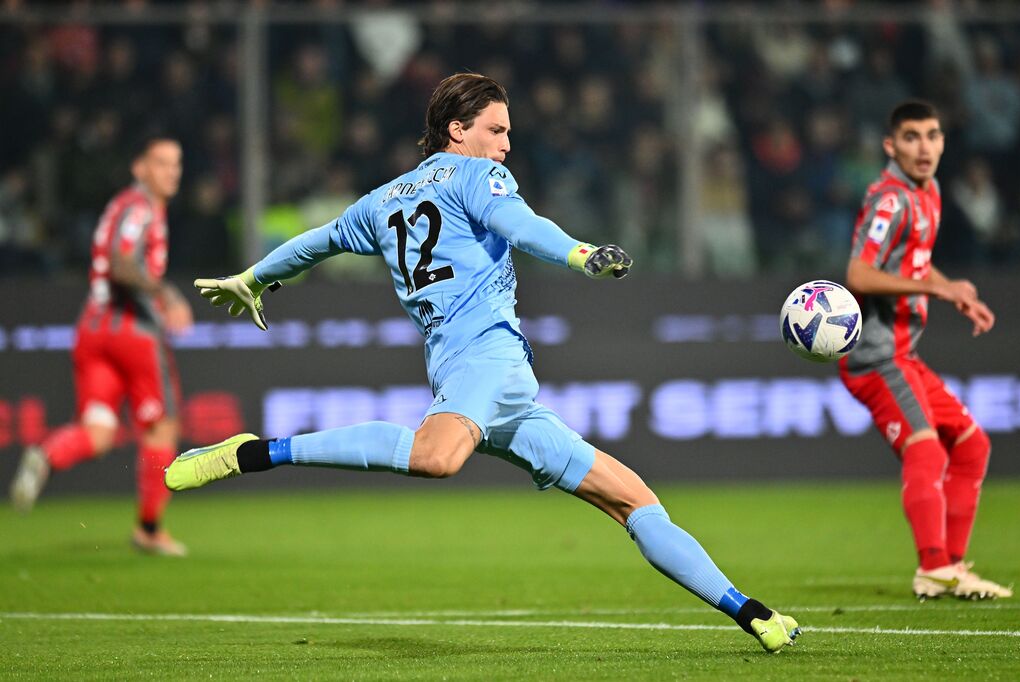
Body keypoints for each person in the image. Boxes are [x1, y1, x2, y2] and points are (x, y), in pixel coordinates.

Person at [165, 73, 801, 652]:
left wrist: (255, 276)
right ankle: (259, 452)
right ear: (456, 131)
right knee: (436, 457)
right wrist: (582, 255)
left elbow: (314, 243)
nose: (505, 145)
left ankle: (754, 615)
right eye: (495, 130)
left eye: (508, 133)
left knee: (634, 502)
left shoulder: (382, 201)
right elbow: (521, 226)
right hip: (484, 363)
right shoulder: (476, 176)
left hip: (487, 382)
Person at [841, 100, 1011, 600]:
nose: (925, 147)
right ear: (891, 146)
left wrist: (950, 288)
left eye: (933, 135)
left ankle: (951, 567)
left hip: (903, 355)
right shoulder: (890, 201)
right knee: (926, 447)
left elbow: (913, 263)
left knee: (972, 443)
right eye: (911, 137)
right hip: (876, 357)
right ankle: (933, 566)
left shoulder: (929, 191)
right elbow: (859, 274)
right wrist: (935, 291)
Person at [10, 136, 193, 557]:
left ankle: (46, 454)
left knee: (99, 432)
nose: (171, 172)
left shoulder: (123, 206)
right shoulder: (140, 208)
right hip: (130, 329)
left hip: (92, 329)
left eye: (176, 164)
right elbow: (120, 261)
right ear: (139, 167)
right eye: (161, 163)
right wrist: (167, 295)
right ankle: (149, 529)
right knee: (162, 427)